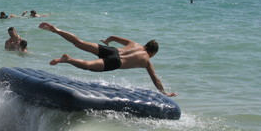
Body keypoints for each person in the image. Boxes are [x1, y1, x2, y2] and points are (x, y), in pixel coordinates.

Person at [39, 22, 177, 97]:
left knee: (79, 42)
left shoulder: (134, 44)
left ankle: (56, 30)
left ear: (145, 45)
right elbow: (155, 79)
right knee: (87, 65)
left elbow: (113, 37)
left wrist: (106, 41)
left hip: (112, 50)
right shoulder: (146, 60)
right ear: (152, 52)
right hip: (115, 62)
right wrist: (165, 93)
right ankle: (68, 59)